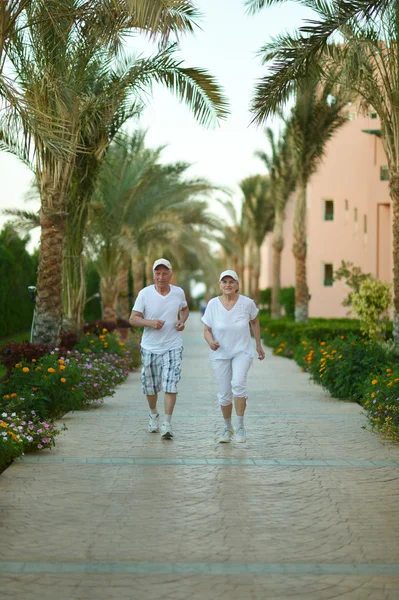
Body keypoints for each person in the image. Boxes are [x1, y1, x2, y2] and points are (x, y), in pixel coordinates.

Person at [201, 270, 265, 443]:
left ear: (237, 285)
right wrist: (210, 342)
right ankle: (227, 428)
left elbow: (255, 321)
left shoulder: (247, 303)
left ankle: (240, 427)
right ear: (220, 285)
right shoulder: (213, 304)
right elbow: (206, 329)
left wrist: (258, 345)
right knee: (224, 393)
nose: (228, 285)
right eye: (224, 282)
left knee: (238, 384)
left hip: (242, 352)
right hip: (220, 353)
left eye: (231, 282)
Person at [129, 258, 189, 439]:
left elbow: (185, 309)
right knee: (150, 388)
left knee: (171, 384)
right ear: (153, 274)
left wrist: (181, 320)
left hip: (173, 345)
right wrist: (150, 323)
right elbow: (133, 319)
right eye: (157, 273)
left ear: (170, 274)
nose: (161, 277)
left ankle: (167, 423)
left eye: (164, 273)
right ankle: (154, 414)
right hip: (150, 347)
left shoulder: (178, 293)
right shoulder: (145, 294)